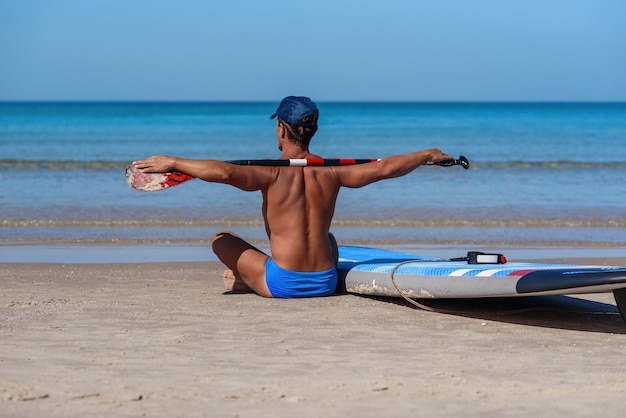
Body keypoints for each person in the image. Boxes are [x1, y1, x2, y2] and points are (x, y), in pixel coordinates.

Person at [133, 96, 453, 298]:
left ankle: (247, 281)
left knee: (221, 238)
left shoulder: (270, 173)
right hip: (326, 282)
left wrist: (173, 162)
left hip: (283, 284)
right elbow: (386, 168)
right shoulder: (332, 172)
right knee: (327, 236)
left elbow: (225, 172)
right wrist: (426, 153)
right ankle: (248, 279)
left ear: (282, 131)